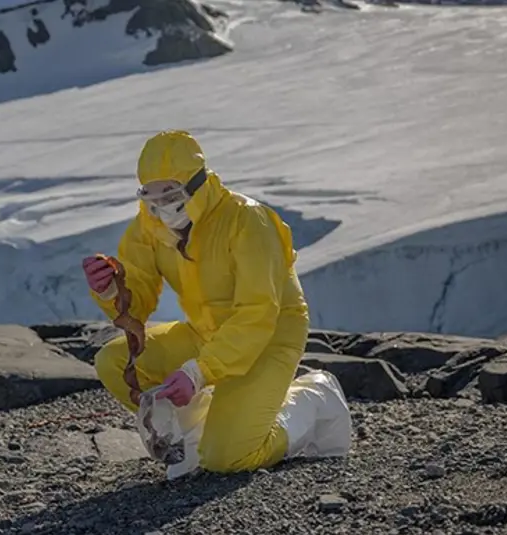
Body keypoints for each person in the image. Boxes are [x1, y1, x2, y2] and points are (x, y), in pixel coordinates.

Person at [83, 129, 348, 474]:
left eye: (170, 194)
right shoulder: (149, 225)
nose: (162, 207)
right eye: (151, 196)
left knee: (230, 459)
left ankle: (313, 402)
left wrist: (199, 371)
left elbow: (257, 313)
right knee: (114, 362)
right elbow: (139, 297)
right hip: (205, 334)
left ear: (196, 185)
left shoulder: (247, 220)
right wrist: (111, 290)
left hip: (269, 338)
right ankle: (198, 435)